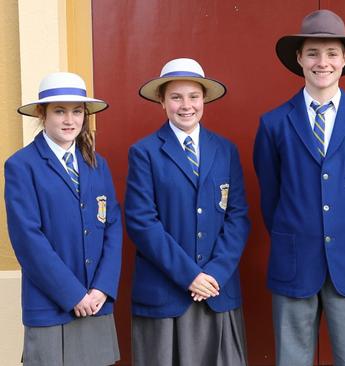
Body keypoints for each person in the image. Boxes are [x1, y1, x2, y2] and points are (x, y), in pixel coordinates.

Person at [253, 9, 345, 366]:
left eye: (332, 53)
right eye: (313, 53)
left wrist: (344, 230)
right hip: (294, 258)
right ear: (299, 58)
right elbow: (271, 198)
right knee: (292, 357)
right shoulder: (273, 124)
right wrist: (299, 232)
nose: (322, 62)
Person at [125, 58, 250, 365]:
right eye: (176, 97)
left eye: (193, 96)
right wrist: (189, 275)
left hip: (216, 291)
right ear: (162, 101)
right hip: (165, 294)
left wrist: (215, 273)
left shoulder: (225, 150)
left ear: (203, 99)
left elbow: (237, 217)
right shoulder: (145, 152)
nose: (186, 105)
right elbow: (142, 222)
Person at [5, 72, 122, 365]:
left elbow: (112, 227)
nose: (70, 120)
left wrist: (101, 288)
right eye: (59, 111)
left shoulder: (97, 164)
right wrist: (73, 294)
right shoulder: (22, 166)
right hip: (50, 304)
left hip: (96, 303)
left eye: (77, 111)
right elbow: (28, 240)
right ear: (42, 114)